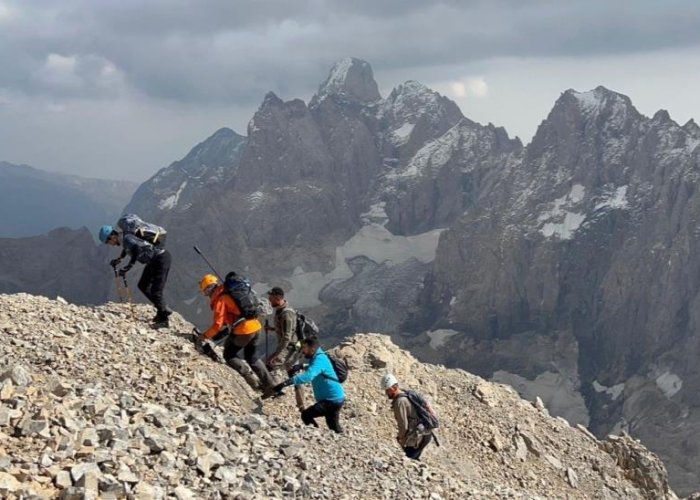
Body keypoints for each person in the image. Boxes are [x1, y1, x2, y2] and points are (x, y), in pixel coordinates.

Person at [198, 274, 276, 394]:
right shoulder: (231, 292)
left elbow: (218, 324)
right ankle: (271, 386)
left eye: (205, 292)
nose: (206, 295)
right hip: (256, 326)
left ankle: (254, 383)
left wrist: (204, 336)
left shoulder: (221, 298)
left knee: (229, 355)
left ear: (208, 289)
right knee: (252, 357)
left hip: (244, 331)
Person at [98, 221, 172, 328]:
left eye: (108, 242)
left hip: (161, 259)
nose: (111, 244)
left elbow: (136, 249)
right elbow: (127, 249)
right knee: (143, 285)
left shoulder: (126, 238)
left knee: (156, 291)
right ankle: (162, 310)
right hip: (154, 261)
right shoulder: (125, 238)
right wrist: (119, 259)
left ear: (112, 236)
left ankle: (164, 320)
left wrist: (128, 267)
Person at [274, 336, 345, 433]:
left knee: (306, 415)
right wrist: (302, 366)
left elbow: (308, 376)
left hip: (330, 400)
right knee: (333, 425)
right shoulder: (320, 356)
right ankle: (338, 438)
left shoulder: (319, 359)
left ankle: (314, 434)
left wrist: (286, 383)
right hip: (336, 397)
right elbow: (317, 368)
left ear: (312, 349)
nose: (303, 351)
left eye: (305, 348)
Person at [266, 287, 305, 409]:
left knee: (270, 366)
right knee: (294, 376)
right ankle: (301, 406)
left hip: (289, 348)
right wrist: (272, 329)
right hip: (291, 348)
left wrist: (277, 353)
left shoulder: (287, 314)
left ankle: (276, 392)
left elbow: (287, 336)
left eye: (271, 298)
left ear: (278, 298)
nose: (269, 300)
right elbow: (285, 331)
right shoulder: (280, 311)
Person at [382, 373, 434, 460]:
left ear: (394, 388)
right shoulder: (406, 395)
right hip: (425, 434)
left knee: (409, 461)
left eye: (388, 390)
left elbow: (403, 425)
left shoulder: (399, 402)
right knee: (414, 462)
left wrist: (401, 439)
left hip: (415, 439)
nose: (387, 393)